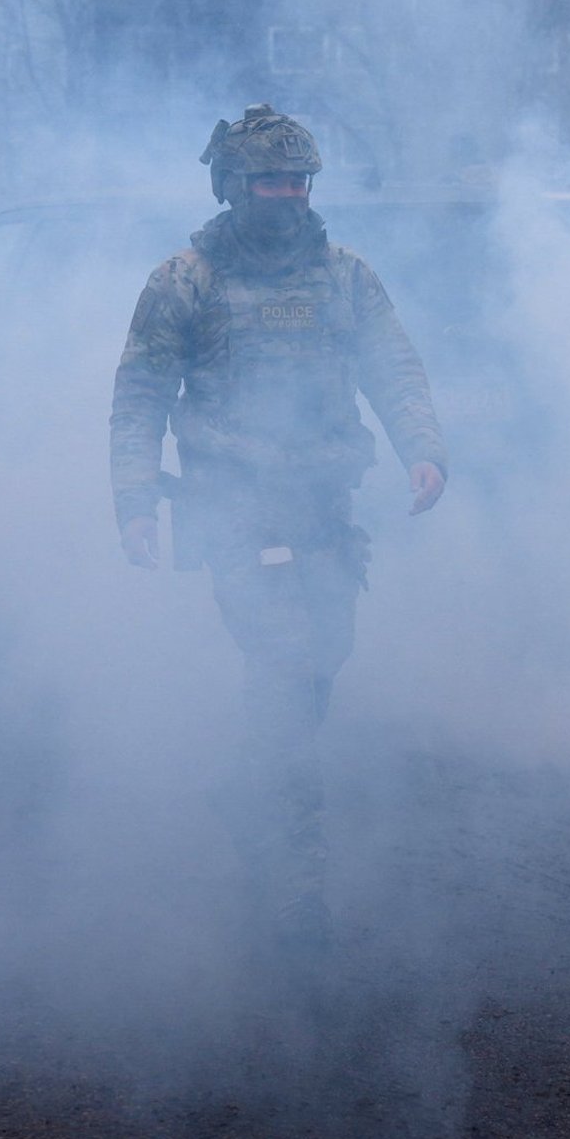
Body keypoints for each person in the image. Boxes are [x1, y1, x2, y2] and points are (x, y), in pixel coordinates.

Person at [109, 105, 446, 957]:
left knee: (320, 660)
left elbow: (392, 365)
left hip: (327, 512)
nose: (288, 195)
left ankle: (245, 789)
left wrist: (423, 452)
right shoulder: (185, 280)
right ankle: (298, 891)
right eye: (270, 180)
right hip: (236, 513)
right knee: (285, 669)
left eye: (300, 180)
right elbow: (141, 393)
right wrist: (135, 498)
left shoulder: (344, 276)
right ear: (231, 185)